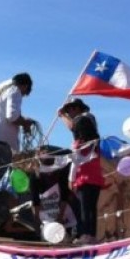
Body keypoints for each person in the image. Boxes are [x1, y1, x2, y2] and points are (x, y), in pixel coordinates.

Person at [0, 73, 34, 237]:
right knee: (1, 185)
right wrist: (25, 122)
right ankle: (0, 225)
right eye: (26, 92)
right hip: (0, 144)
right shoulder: (14, 90)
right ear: (24, 85)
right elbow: (12, 116)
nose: (23, 95)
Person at [58, 98, 105, 245]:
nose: (69, 113)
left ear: (78, 109)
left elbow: (73, 125)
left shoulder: (82, 123)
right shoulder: (92, 132)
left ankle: (86, 234)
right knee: (90, 207)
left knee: (85, 207)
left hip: (85, 174)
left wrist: (61, 116)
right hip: (94, 174)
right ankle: (90, 235)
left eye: (71, 109)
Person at [31, 146, 80, 241]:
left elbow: (64, 196)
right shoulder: (35, 176)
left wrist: (60, 217)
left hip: (65, 211)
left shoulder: (62, 172)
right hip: (47, 215)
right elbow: (35, 201)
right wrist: (36, 219)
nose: (49, 173)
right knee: (49, 236)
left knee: (66, 235)